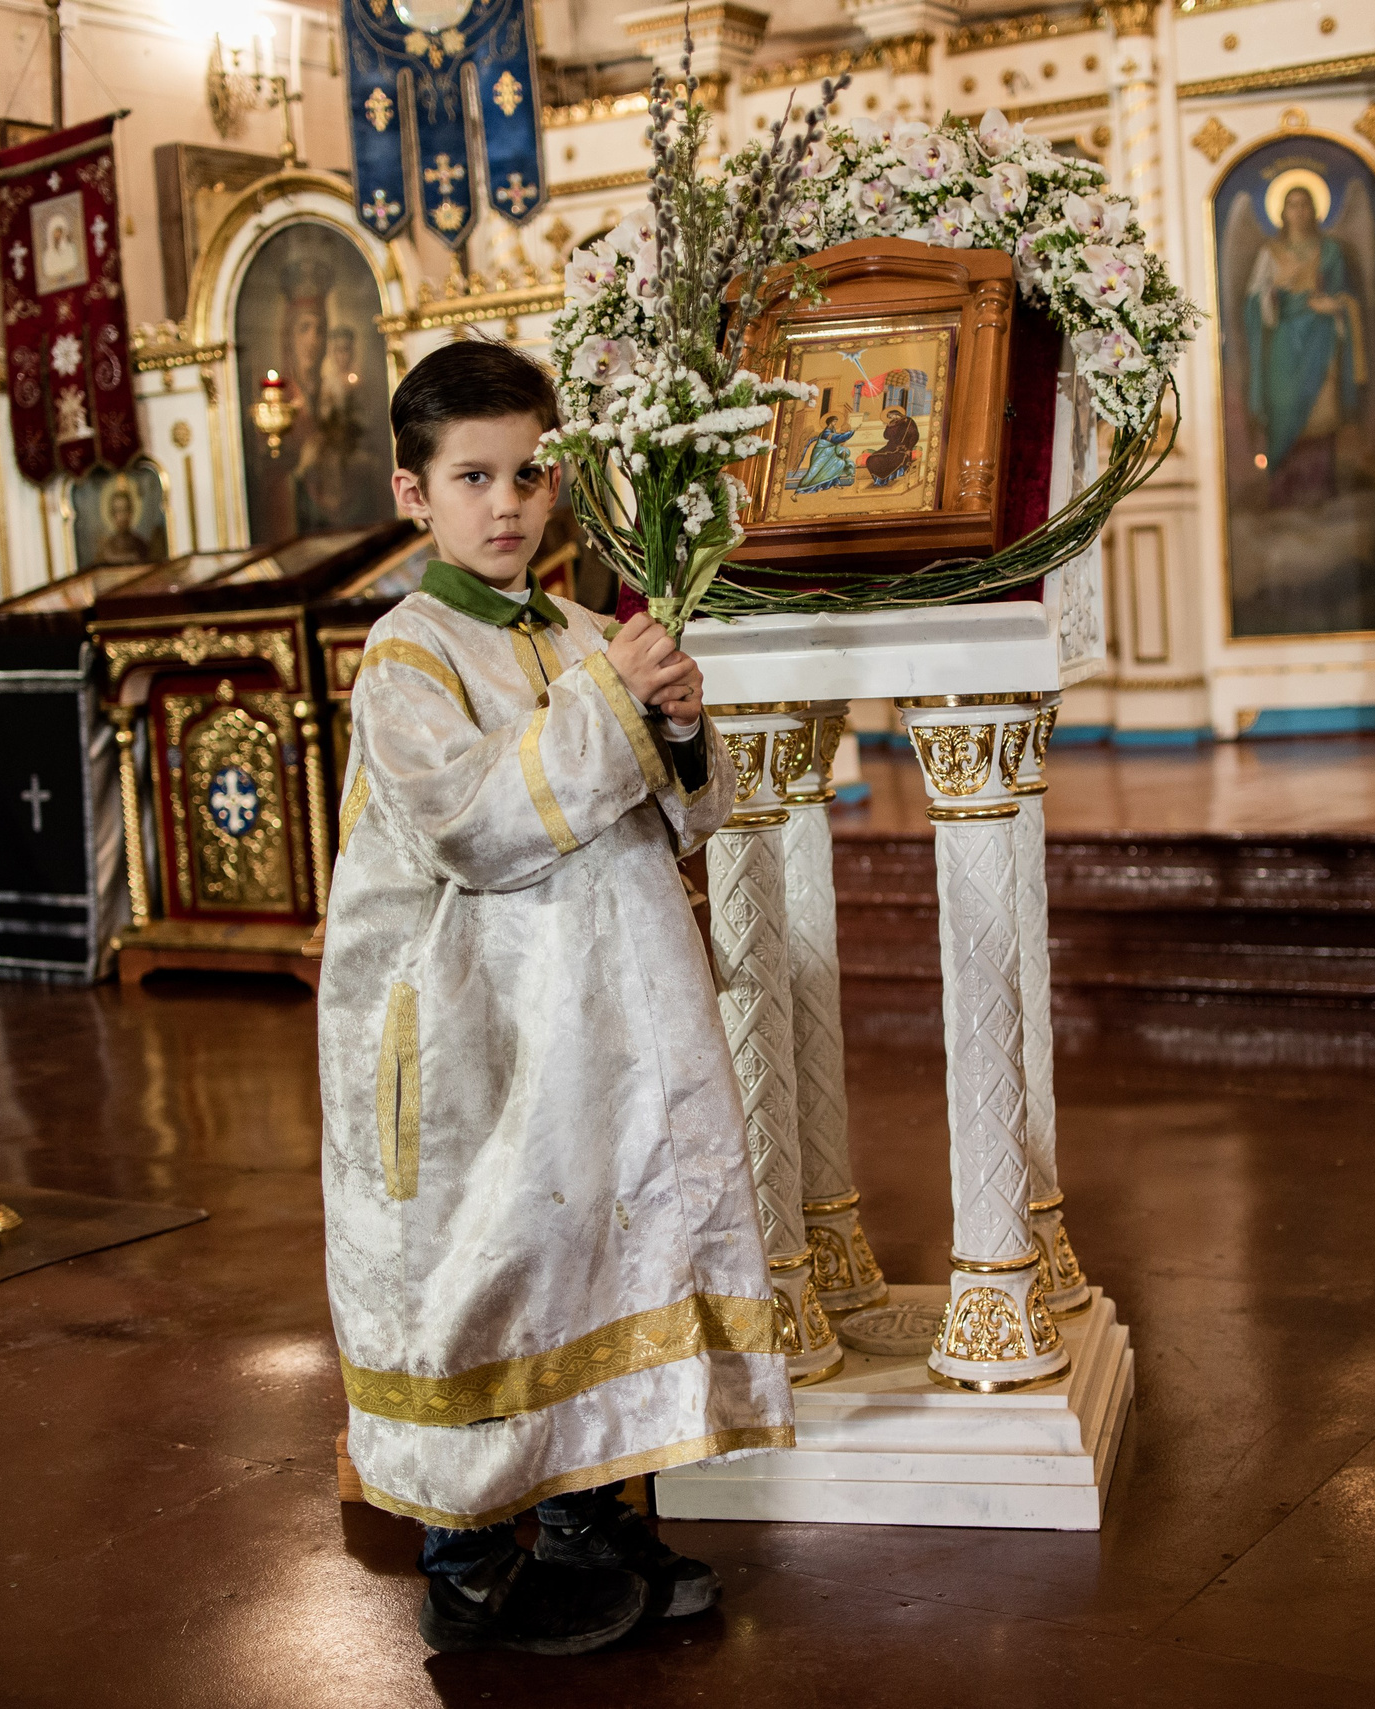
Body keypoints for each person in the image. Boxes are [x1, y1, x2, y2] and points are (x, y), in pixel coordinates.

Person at [317, 340, 791, 1657]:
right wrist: (616, 704)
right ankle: (466, 1543)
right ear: (414, 494)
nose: (508, 504)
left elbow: (689, 815)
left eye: (529, 473)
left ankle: (592, 1512)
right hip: (473, 1037)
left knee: (603, 1241)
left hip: (606, 1029)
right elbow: (475, 824)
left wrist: (683, 725)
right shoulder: (407, 655)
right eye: (473, 477)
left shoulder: (590, 633)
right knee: (484, 1261)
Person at [1244, 183, 1368, 509]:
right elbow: (1255, 305)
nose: (1298, 211)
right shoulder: (1269, 254)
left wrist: (1334, 305)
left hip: (1321, 339)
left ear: (1315, 210)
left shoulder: (1330, 252)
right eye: (1292, 205)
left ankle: (1319, 491)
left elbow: (1343, 295)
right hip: (1283, 344)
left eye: (1304, 204)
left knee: (1321, 412)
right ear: (1281, 213)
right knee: (1284, 408)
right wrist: (1272, 296)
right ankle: (1283, 491)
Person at [787, 412, 855, 493]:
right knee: (815, 471)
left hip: (829, 453)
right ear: (830, 422)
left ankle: (835, 483)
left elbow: (836, 439)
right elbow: (836, 438)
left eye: (836, 422)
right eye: (834, 422)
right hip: (821, 454)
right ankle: (803, 487)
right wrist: (849, 434)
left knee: (839, 463)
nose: (835, 423)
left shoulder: (832, 431)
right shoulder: (826, 432)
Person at [863, 405, 920, 486]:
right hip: (890, 446)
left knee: (895, 458)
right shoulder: (891, 423)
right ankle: (880, 481)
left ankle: (892, 478)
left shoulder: (908, 421)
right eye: (889, 417)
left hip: (903, 447)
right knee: (872, 459)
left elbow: (914, 435)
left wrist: (909, 449)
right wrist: (888, 427)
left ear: (896, 413)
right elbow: (886, 436)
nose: (891, 418)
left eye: (891, 416)